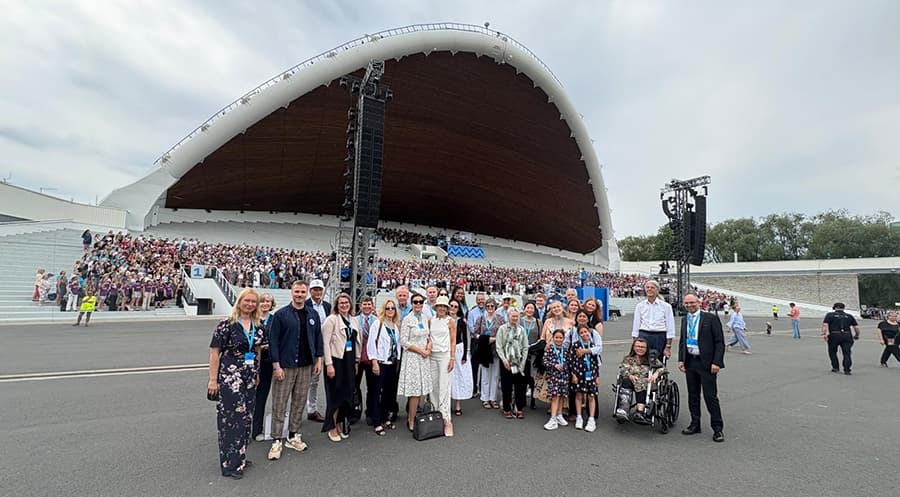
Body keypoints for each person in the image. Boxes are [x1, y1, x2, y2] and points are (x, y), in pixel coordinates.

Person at [207, 288, 264, 479]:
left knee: (246, 419)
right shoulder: (226, 325)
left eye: (253, 302)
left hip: (249, 379)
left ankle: (239, 457)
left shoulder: (258, 325)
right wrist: (213, 380)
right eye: (246, 301)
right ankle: (229, 465)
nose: (249, 304)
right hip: (230, 379)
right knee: (231, 421)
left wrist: (256, 372)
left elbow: (257, 350)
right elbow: (215, 353)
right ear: (239, 302)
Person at [267, 281, 323, 460]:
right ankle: (276, 439)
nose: (299, 294)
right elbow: (273, 342)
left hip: (306, 366)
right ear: (292, 293)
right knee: (280, 403)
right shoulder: (281, 315)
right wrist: (276, 365)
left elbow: (318, 338)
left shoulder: (312, 314)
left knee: (299, 402)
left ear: (306, 293)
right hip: (286, 366)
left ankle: (293, 435)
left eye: (302, 292)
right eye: (297, 291)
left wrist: (319, 360)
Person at [678, 292, 725, 443]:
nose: (689, 305)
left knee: (710, 396)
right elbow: (682, 341)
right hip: (691, 361)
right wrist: (681, 359)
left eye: (692, 303)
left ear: (699, 303)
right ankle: (695, 423)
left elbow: (719, 342)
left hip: (706, 363)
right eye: (687, 303)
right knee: (693, 395)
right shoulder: (685, 320)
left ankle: (717, 428)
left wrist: (717, 362)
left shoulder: (710, 318)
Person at [320, 293, 360, 442]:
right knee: (335, 395)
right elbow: (325, 343)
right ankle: (332, 426)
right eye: (341, 303)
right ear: (336, 305)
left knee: (346, 394)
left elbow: (356, 342)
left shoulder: (354, 320)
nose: (344, 305)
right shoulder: (331, 320)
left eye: (346, 302)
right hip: (336, 361)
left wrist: (356, 362)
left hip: (349, 361)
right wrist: (329, 364)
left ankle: (340, 423)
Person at [397, 293, 433, 431]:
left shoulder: (425, 318)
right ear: (411, 304)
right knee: (415, 392)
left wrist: (429, 347)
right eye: (415, 302)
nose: (418, 304)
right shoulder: (407, 319)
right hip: (412, 357)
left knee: (422, 390)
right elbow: (403, 341)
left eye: (420, 302)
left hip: (424, 358)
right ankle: (411, 420)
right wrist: (420, 351)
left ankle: (417, 416)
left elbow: (428, 336)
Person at [368, 299, 402, 434]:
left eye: (392, 308)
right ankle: (376, 421)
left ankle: (384, 417)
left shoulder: (395, 325)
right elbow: (371, 343)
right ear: (384, 309)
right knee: (376, 393)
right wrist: (374, 361)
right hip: (380, 363)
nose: (390, 310)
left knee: (388, 393)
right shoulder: (378, 324)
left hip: (392, 364)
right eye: (387, 308)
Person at [615, 338, 666, 424]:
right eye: (638, 346)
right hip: (631, 381)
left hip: (648, 383)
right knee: (626, 381)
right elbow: (623, 369)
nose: (640, 349)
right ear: (634, 347)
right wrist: (630, 375)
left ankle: (640, 411)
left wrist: (656, 374)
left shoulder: (652, 360)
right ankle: (624, 409)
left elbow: (663, 368)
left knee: (641, 382)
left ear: (647, 349)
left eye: (643, 347)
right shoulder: (628, 359)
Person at [427, 296, 456, 436]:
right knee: (433, 386)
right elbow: (428, 338)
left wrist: (452, 358)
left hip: (445, 356)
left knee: (444, 386)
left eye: (444, 306)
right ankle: (435, 414)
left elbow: (453, 341)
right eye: (440, 306)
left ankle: (446, 419)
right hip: (432, 356)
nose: (442, 308)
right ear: (436, 307)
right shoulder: (430, 320)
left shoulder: (450, 321)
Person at [251, 293, 276, 442]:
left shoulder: (274, 320)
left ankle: (257, 429)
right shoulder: (251, 319)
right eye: (262, 301)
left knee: (261, 396)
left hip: (268, 361)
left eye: (268, 301)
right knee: (249, 397)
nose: (265, 304)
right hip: (252, 361)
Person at [305, 279, 330, 423]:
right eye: (315, 289)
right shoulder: (306, 305)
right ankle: (311, 409)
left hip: (326, 346)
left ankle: (320, 409)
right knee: (310, 381)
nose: (317, 292)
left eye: (319, 289)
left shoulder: (327, 306)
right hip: (311, 348)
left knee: (327, 378)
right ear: (310, 291)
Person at [497, 308, 529, 419]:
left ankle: (519, 408)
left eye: (516, 316)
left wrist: (523, 362)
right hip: (506, 361)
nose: (515, 318)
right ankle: (507, 408)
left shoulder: (522, 330)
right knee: (506, 386)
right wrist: (504, 360)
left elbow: (525, 347)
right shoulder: (502, 329)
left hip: (519, 362)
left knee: (520, 387)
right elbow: (499, 346)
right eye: (512, 316)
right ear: (508, 317)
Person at [631, 280, 676, 358]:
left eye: (652, 287)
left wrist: (668, 346)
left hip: (659, 337)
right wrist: (635, 343)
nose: (649, 289)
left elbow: (670, 328)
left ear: (657, 290)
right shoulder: (640, 306)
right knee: (643, 363)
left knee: (659, 363)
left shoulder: (666, 306)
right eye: (647, 287)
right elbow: (636, 326)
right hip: (643, 335)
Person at [474, 298, 505, 409]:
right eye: (488, 306)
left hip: (496, 349)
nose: (490, 308)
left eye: (492, 306)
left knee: (495, 375)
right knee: (485, 375)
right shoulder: (481, 318)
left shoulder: (500, 319)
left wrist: (494, 339)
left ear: (495, 307)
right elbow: (475, 333)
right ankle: (485, 398)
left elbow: (503, 333)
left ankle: (493, 398)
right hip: (484, 349)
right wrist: (483, 338)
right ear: (486, 307)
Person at [567, 326, 599, 432]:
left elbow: (596, 362)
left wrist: (597, 376)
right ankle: (579, 417)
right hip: (579, 374)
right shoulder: (575, 345)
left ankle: (591, 419)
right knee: (579, 395)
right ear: (579, 334)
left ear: (589, 333)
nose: (584, 334)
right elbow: (570, 361)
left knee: (591, 396)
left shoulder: (592, 346)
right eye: (581, 332)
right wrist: (573, 375)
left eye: (586, 332)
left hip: (591, 374)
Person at [354, 296, 380, 426]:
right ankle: (355, 411)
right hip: (358, 357)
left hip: (371, 358)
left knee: (372, 387)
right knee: (355, 386)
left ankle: (370, 412)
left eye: (369, 304)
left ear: (373, 306)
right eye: (364, 304)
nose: (367, 307)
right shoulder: (354, 320)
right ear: (360, 306)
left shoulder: (377, 321)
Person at [821, 303, 860, 375]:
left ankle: (835, 367)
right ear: (843, 308)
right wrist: (857, 335)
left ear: (834, 308)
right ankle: (847, 369)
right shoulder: (849, 316)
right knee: (847, 353)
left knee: (832, 352)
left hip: (834, 335)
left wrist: (824, 334)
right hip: (847, 335)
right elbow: (856, 327)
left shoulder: (830, 315)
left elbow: (825, 325)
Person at [542, 329, 569, 430]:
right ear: (553, 338)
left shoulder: (565, 350)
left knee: (561, 396)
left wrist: (565, 368)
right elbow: (545, 361)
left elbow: (568, 363)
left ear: (563, 339)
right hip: (553, 377)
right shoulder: (549, 349)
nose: (558, 339)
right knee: (555, 396)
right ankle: (553, 418)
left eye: (560, 338)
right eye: (556, 337)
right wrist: (554, 365)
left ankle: (559, 415)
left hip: (563, 377)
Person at [449, 299, 473, 416]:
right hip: (445, 350)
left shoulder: (461, 321)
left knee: (458, 377)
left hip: (458, 349)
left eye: (455, 307)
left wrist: (464, 354)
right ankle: (446, 404)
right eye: (451, 306)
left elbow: (465, 338)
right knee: (447, 378)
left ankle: (458, 404)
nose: (453, 308)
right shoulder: (444, 320)